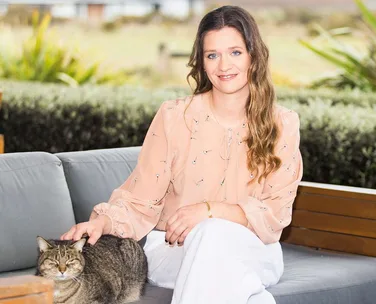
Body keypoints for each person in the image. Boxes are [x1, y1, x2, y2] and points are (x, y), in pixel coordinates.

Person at [61, 5, 303, 304]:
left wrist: (208, 210)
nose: (224, 65)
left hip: (254, 250)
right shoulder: (175, 116)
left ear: (254, 55)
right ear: (201, 62)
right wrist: (102, 223)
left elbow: (275, 213)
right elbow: (140, 199)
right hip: (174, 251)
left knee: (214, 233)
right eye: (212, 55)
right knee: (243, 286)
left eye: (235, 52)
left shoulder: (284, 123)